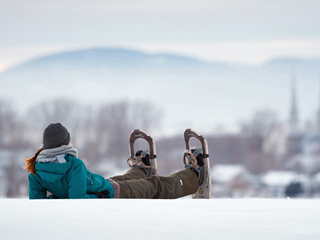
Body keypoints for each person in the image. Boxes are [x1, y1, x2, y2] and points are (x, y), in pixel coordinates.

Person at [23, 123, 204, 199]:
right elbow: (78, 202)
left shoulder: (36, 170)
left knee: (124, 179)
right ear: (65, 143)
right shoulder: (73, 164)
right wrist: (101, 195)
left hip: (104, 186)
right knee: (155, 185)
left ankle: (140, 169)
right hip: (109, 194)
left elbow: (39, 203)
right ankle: (194, 177)